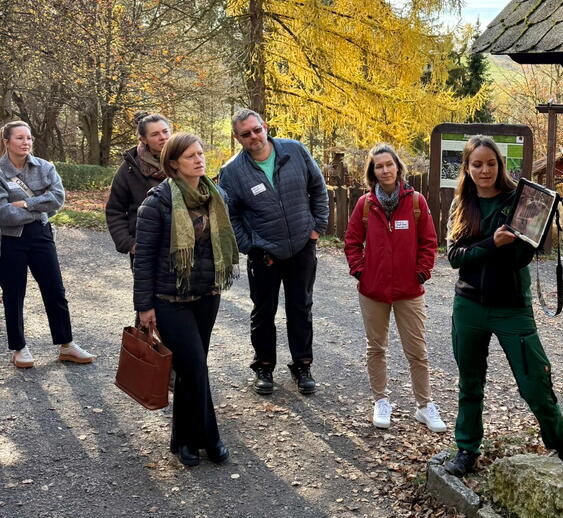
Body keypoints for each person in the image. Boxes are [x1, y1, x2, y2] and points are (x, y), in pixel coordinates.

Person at [443, 135, 563, 477]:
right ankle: (467, 448)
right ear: (467, 168)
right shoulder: (461, 204)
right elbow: (454, 257)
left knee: (535, 383)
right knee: (470, 383)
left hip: (512, 307)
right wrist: (491, 243)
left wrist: (533, 231)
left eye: (491, 163)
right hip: (469, 306)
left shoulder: (522, 201)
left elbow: (522, 257)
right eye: (477, 164)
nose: (485, 170)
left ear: (500, 165)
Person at [134, 132, 238, 467]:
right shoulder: (157, 203)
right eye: (191, 155)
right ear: (174, 163)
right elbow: (143, 259)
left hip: (206, 295)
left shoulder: (215, 195)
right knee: (193, 367)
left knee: (192, 368)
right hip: (169, 299)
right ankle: (211, 438)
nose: (199, 159)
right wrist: (144, 306)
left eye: (200, 153)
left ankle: (182, 440)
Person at [218, 109, 328, 396]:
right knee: (263, 311)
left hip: (302, 247)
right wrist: (250, 245)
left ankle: (302, 365)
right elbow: (230, 216)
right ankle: (264, 366)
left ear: (265, 127)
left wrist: (317, 228)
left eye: (256, 129)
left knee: (300, 308)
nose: (253, 136)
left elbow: (318, 188)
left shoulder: (294, 150)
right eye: (245, 133)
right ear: (237, 137)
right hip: (264, 254)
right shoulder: (231, 172)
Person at [344, 144, 445, 432]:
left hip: (409, 291)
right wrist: (361, 271)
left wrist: (422, 273)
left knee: (417, 351)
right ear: (372, 172)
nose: (385, 170)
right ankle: (381, 401)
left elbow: (429, 242)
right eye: (379, 166)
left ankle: (424, 406)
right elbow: (351, 242)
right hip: (372, 291)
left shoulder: (415, 202)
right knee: (376, 348)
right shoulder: (365, 205)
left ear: (398, 168)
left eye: (389, 164)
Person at [0, 121, 94, 368]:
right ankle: (19, 348)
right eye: (19, 138)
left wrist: (26, 205)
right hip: (9, 239)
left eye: (29, 138)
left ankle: (66, 344)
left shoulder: (45, 167)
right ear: (6, 141)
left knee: (54, 289)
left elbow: (58, 198)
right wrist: (40, 208)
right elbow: (3, 215)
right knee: (13, 293)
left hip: (41, 234)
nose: (26, 142)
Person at [106, 112, 171, 266]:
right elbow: (114, 210)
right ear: (143, 139)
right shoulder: (130, 168)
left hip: (185, 247)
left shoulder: (185, 159)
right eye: (155, 134)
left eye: (165, 131)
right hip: (148, 250)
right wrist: (129, 243)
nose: (163, 137)